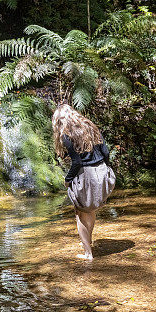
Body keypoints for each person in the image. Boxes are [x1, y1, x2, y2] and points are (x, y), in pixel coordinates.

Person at [52, 104, 116, 260]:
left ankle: (88, 254)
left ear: (59, 121)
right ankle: (89, 242)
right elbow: (105, 152)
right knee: (90, 210)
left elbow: (77, 162)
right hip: (100, 170)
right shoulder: (91, 127)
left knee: (80, 213)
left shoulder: (66, 135)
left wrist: (68, 180)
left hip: (85, 174)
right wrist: (105, 170)